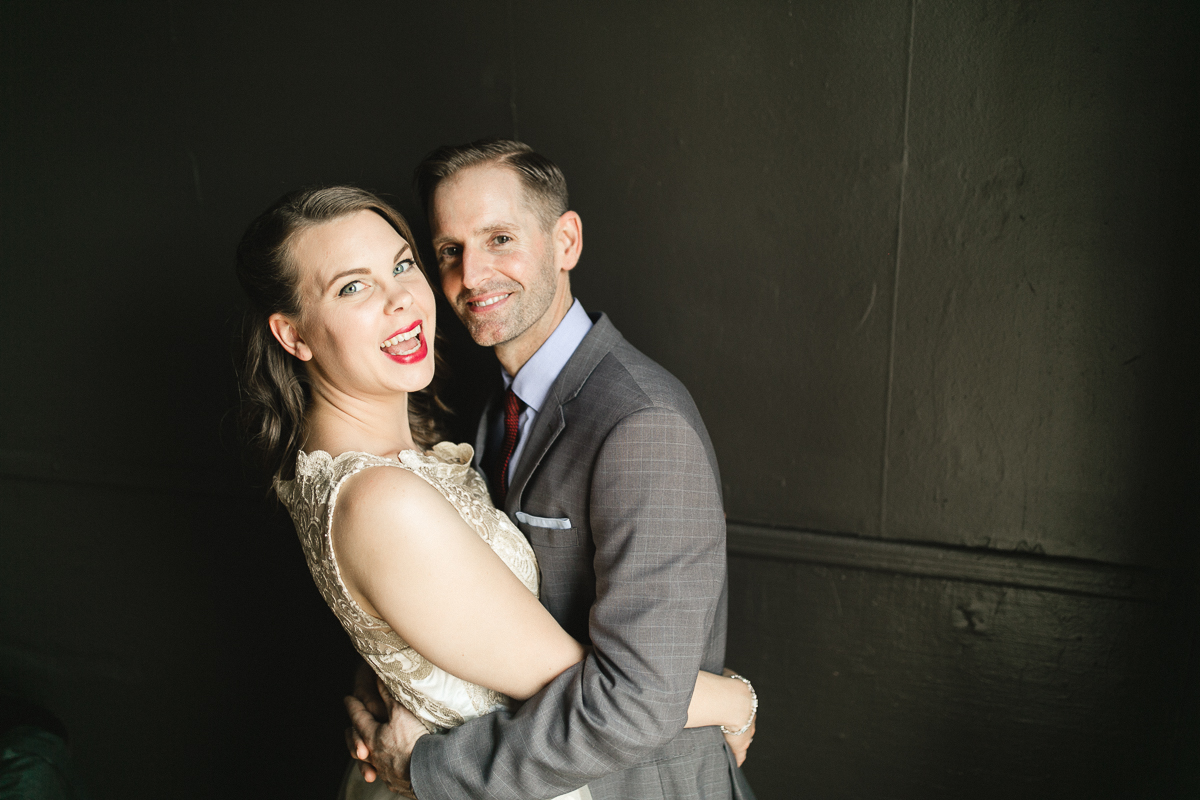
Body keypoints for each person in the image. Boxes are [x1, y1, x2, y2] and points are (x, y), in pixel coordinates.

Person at [234, 184, 757, 800]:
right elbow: (606, 689)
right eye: (354, 286)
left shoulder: (365, 466)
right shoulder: (384, 500)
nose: (402, 298)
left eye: (403, 266)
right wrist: (733, 697)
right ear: (293, 336)